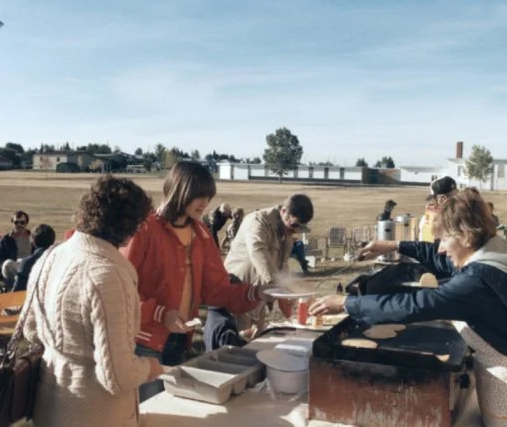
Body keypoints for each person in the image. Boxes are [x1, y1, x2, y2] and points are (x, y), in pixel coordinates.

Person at [311, 189, 507, 426]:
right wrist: (394, 246)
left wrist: (347, 303)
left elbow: (416, 305)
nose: (440, 248)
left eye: (443, 239)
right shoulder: (492, 255)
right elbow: (439, 258)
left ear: (465, 235)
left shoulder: (478, 281)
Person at [22, 176, 165, 427]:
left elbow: (30, 329)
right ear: (131, 224)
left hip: (48, 403)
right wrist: (149, 368)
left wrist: (66, 348)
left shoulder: (50, 256)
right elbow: (117, 376)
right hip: (97, 414)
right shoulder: (109, 275)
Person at [121, 162, 269, 402]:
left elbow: (217, 290)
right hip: (143, 341)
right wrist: (160, 314)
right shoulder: (144, 229)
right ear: (180, 191)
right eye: (199, 195)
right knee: (148, 409)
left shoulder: (201, 234)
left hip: (179, 340)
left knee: (172, 407)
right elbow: (119, 291)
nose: (205, 203)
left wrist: (256, 293)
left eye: (208, 197)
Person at [212, 194, 314, 339]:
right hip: (238, 293)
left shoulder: (287, 231)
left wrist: (285, 296)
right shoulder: (257, 221)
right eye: (294, 226)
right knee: (237, 343)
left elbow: (283, 264)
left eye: (300, 228)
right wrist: (279, 289)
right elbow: (258, 251)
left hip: (259, 297)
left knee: (257, 341)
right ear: (283, 211)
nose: (295, 231)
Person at [1, 224, 56, 292]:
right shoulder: (60, 260)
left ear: (32, 241)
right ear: (53, 240)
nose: (19, 225)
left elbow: (18, 290)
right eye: (16, 222)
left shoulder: (27, 263)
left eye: (22, 222)